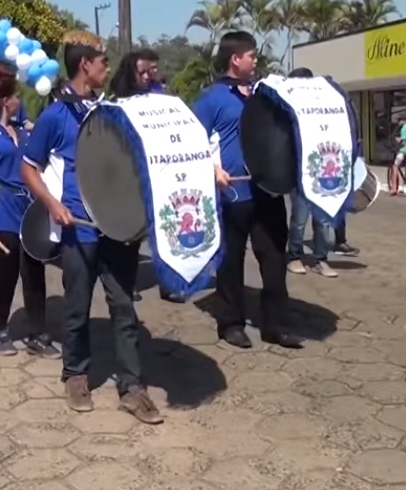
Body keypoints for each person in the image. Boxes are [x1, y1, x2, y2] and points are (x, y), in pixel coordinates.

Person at [21, 30, 160, 423]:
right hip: (77, 229)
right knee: (77, 309)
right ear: (85, 65)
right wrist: (52, 204)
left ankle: (132, 387)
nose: (108, 69)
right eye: (103, 63)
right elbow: (27, 168)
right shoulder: (55, 115)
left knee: (123, 308)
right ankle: (76, 374)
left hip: (117, 229)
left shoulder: (113, 111)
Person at [193, 31, 302, 350]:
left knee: (274, 258)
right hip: (232, 194)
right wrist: (213, 171)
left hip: (267, 189)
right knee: (231, 260)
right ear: (234, 59)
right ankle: (230, 323)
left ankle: (274, 324)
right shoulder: (211, 98)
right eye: (250, 55)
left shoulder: (266, 94)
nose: (256, 60)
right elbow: (194, 142)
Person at [0, 63, 57, 359]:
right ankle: (1, 330)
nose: (20, 100)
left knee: (34, 271)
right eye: (17, 96)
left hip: (27, 208)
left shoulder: (23, 131)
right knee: (6, 273)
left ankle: (38, 334)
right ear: (7, 101)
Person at [109, 49, 186, 304]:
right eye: (142, 71)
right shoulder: (118, 99)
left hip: (159, 173)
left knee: (162, 230)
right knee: (129, 237)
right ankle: (126, 284)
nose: (147, 76)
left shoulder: (159, 94)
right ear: (131, 71)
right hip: (130, 174)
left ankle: (168, 283)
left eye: (151, 70)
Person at [284, 67, 337, 279]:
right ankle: (294, 256)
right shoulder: (286, 110)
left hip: (321, 172)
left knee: (323, 219)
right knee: (299, 218)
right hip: (298, 173)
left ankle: (320, 259)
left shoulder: (323, 107)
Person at [390, 119, 406, 195]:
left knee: (395, 166)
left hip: (403, 151)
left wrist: (397, 140)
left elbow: (402, 141)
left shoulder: (404, 128)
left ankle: (394, 188)